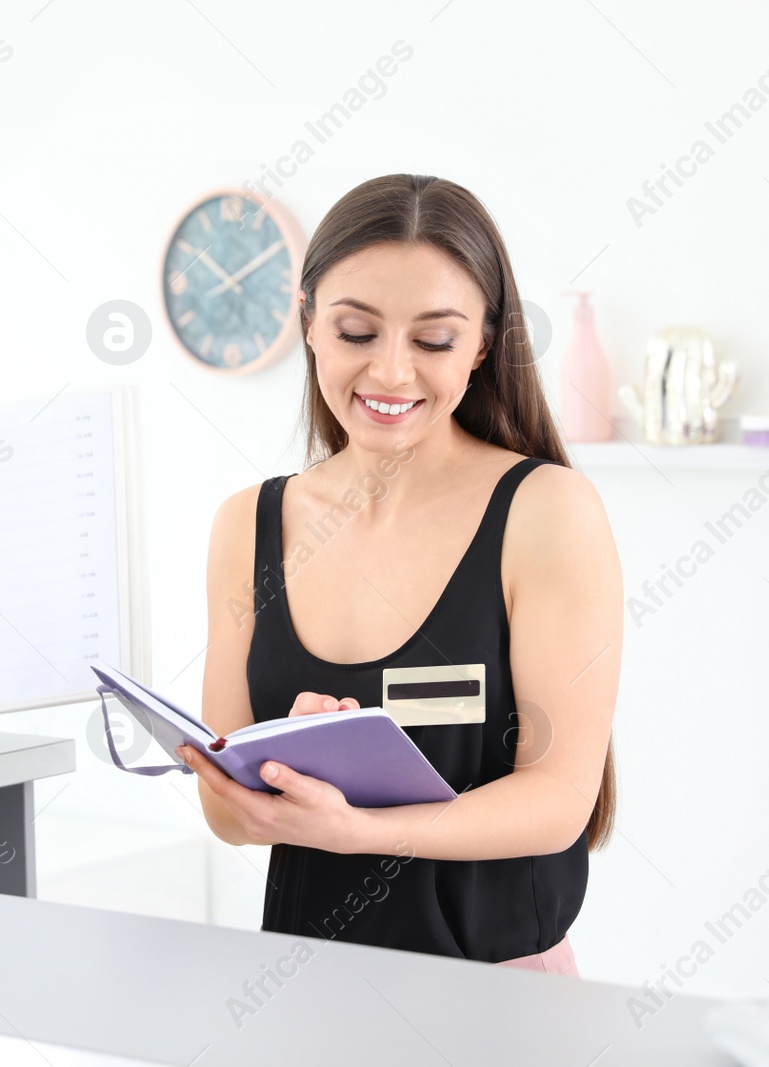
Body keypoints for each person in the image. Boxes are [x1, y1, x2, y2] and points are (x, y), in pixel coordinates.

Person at [178, 173, 621, 976]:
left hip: (498, 997)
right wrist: (288, 765)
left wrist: (363, 829)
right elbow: (225, 813)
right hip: (309, 987)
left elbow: (559, 799)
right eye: (356, 332)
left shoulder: (547, 511)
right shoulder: (247, 524)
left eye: (434, 340)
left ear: (484, 342)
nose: (390, 373)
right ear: (308, 322)